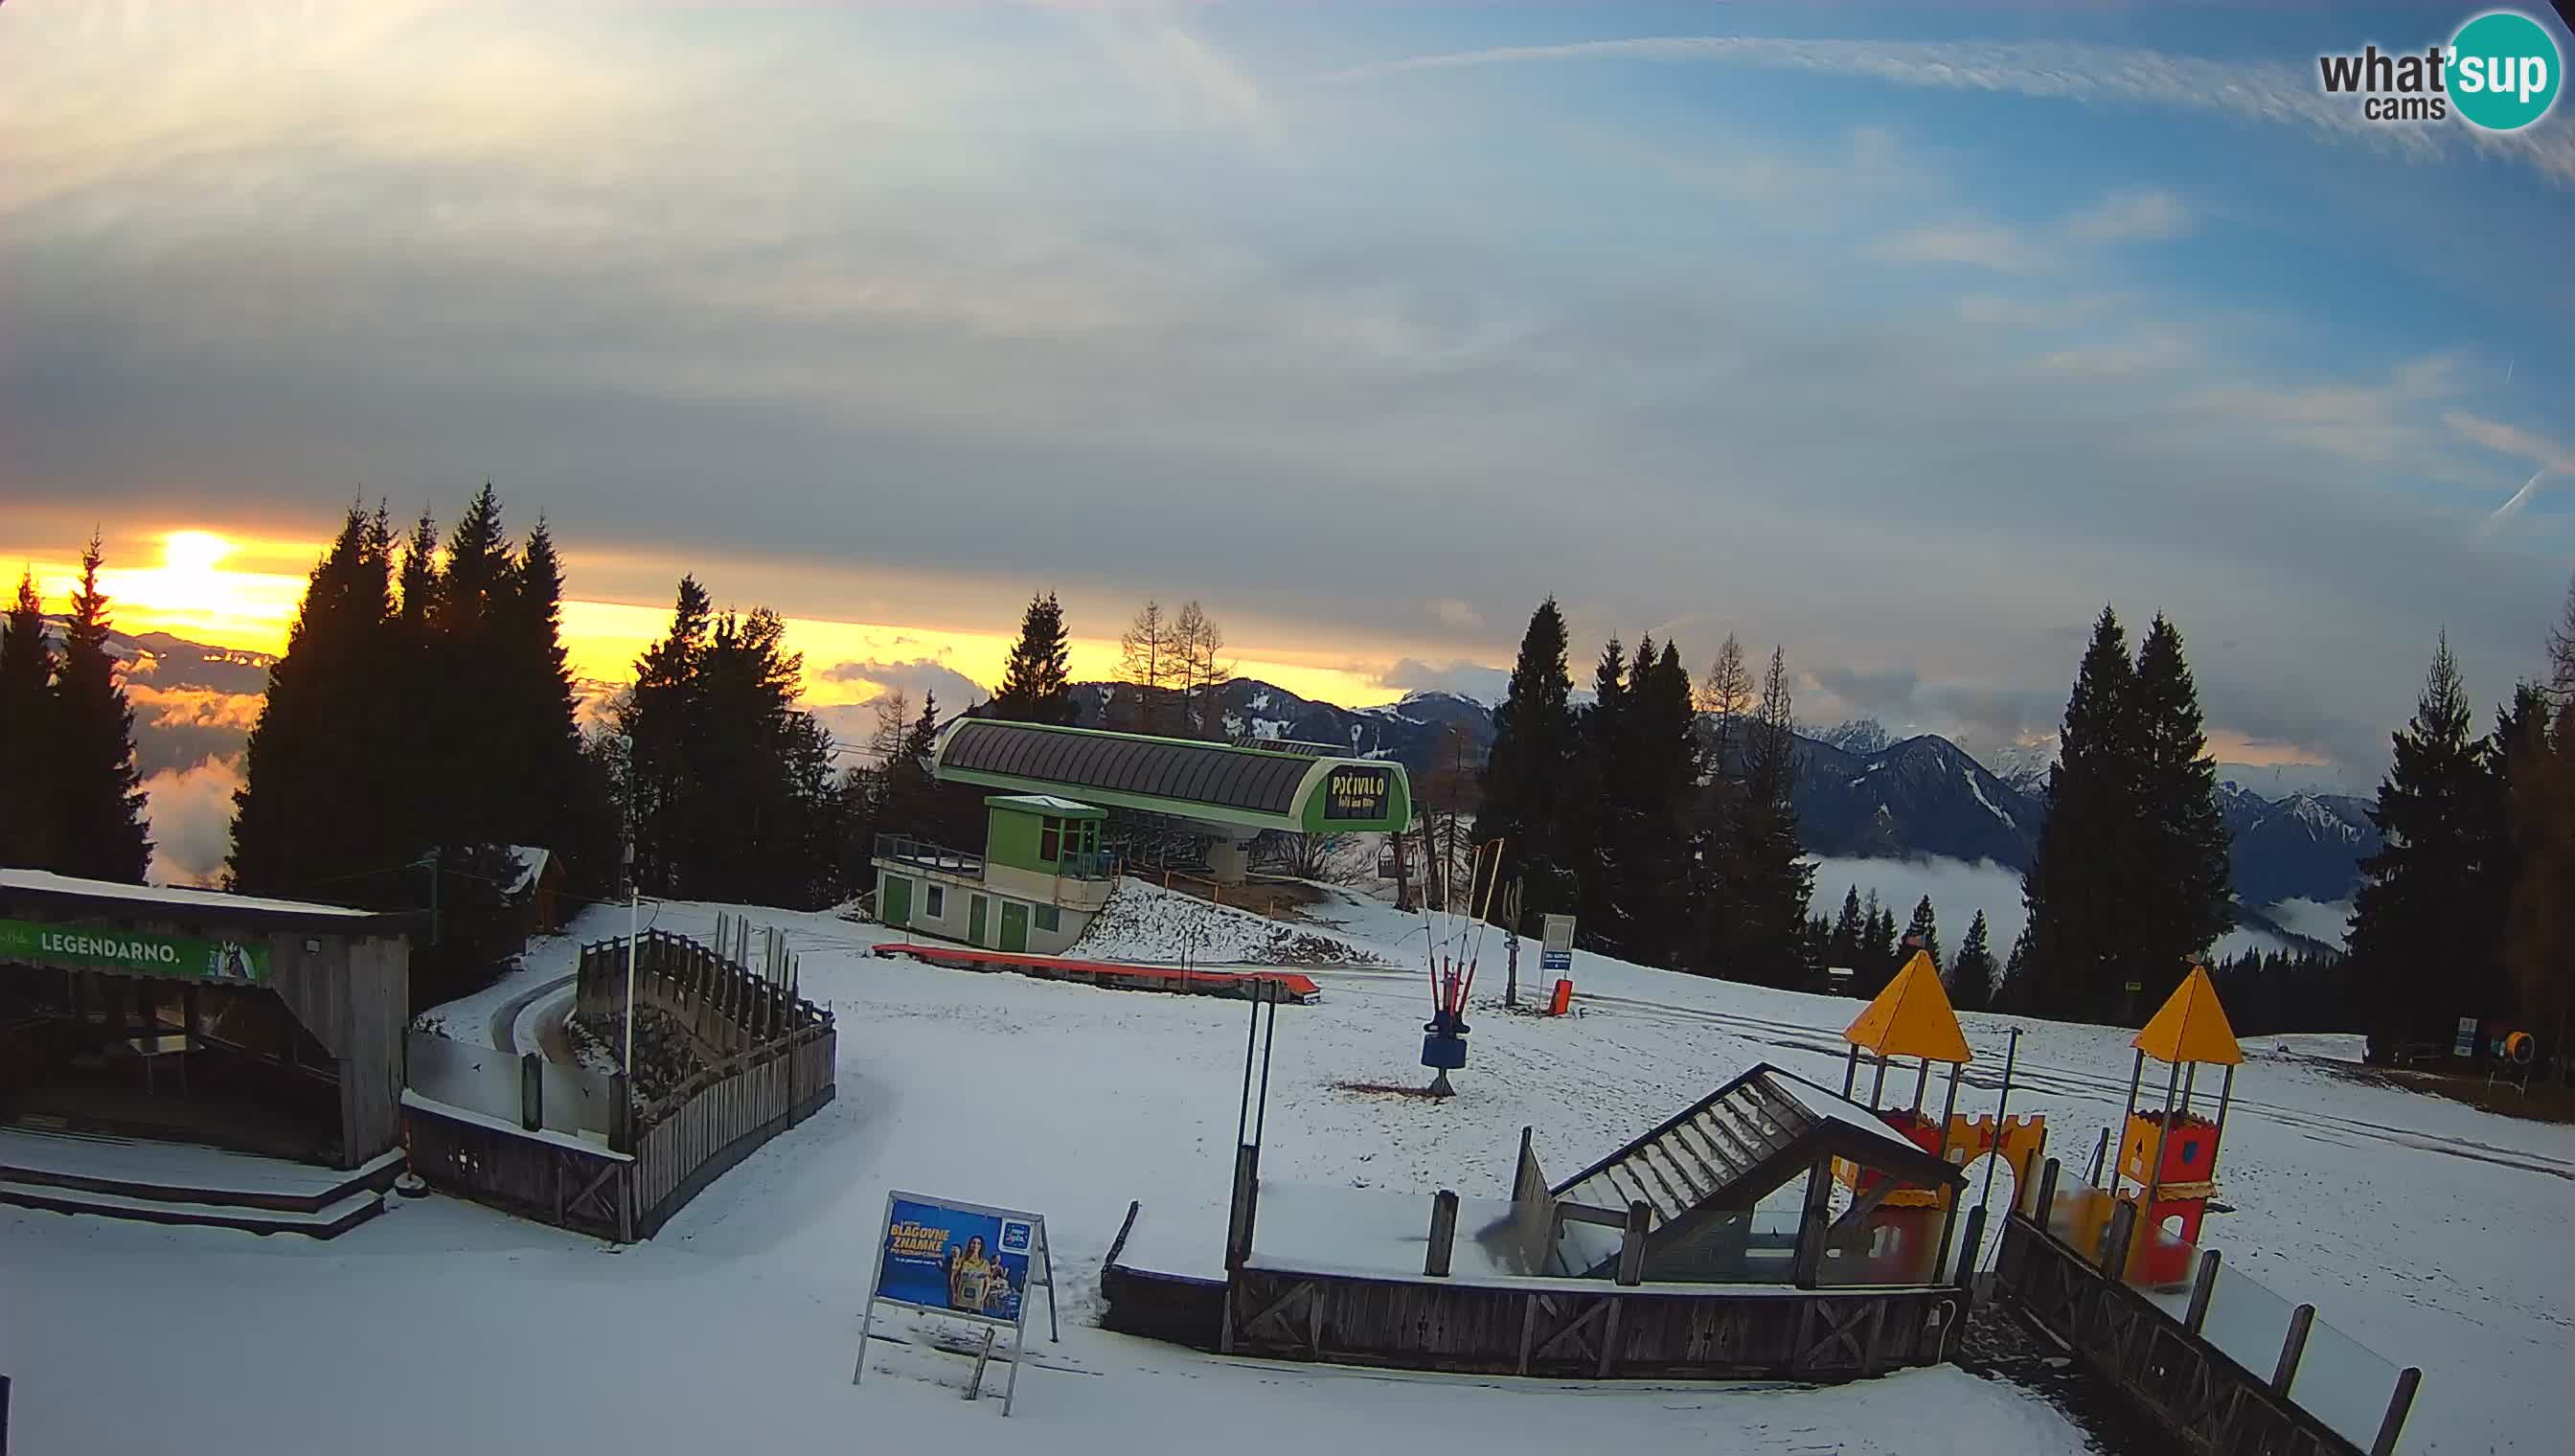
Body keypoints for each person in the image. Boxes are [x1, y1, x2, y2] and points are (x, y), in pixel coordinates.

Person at [947, 1235, 991, 1312]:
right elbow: (953, 1277)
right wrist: (954, 1293)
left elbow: (987, 1284)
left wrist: (982, 1298)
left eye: (978, 1243)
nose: (975, 1245)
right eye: (973, 1243)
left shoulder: (985, 1263)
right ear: (970, 1244)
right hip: (961, 1300)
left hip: (976, 1302)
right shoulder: (962, 1261)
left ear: (981, 1246)